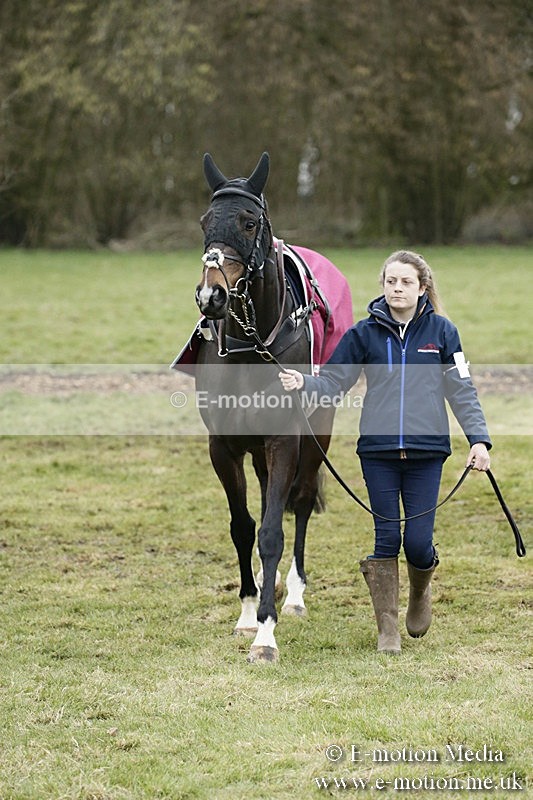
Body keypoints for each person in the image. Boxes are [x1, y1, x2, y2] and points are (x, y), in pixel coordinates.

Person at [279, 250, 491, 655]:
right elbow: (334, 383)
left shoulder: (443, 333)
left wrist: (478, 440)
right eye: (391, 281)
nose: (397, 288)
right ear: (383, 286)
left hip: (427, 453)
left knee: (418, 543)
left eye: (406, 282)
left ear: (422, 287)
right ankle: (387, 630)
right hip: (377, 452)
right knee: (387, 536)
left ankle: (418, 593)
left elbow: (462, 390)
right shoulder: (363, 334)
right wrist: (303, 384)